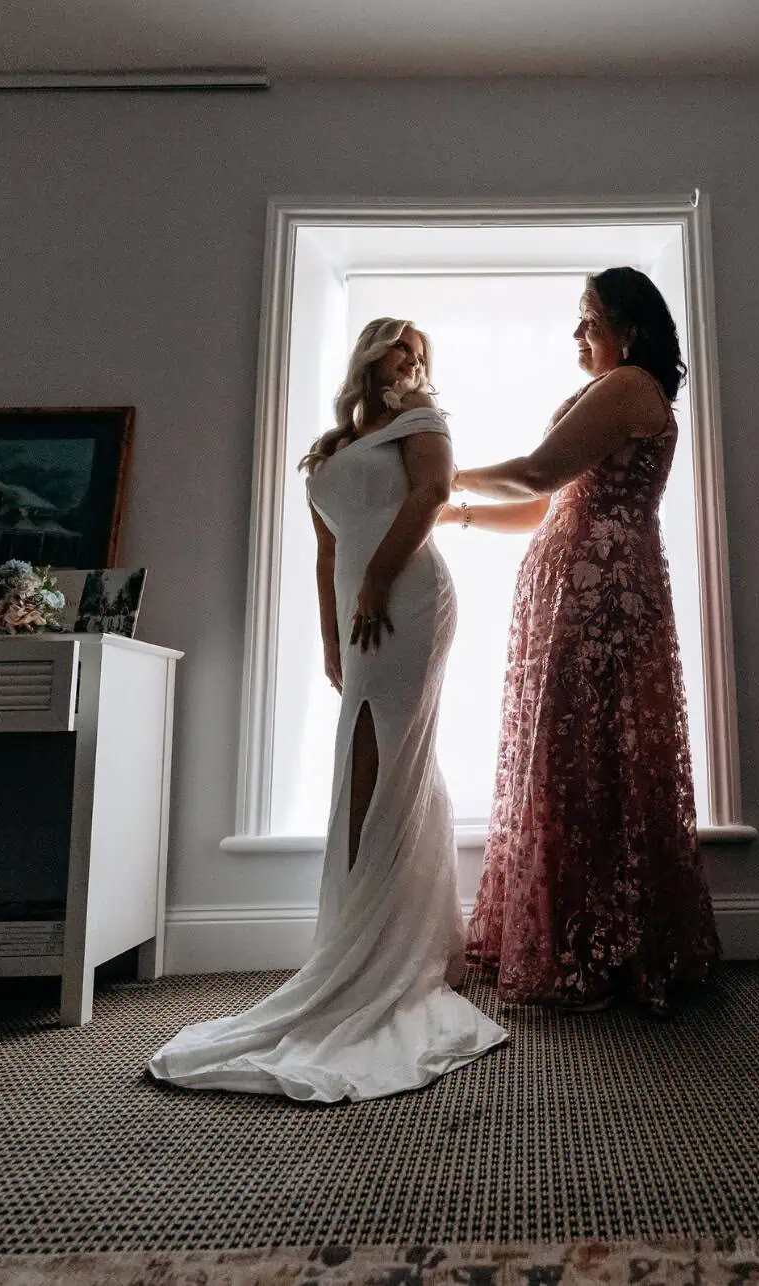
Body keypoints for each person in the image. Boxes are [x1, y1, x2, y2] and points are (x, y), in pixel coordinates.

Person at [149, 318, 507, 1100]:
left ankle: (382, 952)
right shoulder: (329, 448)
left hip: (408, 596)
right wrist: (326, 634)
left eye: (420, 352)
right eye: (396, 345)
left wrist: (378, 580)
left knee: (388, 761)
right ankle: (383, 936)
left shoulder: (424, 423)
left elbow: (434, 493)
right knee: (368, 762)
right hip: (356, 608)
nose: (409, 360)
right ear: (366, 354)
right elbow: (322, 549)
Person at [440, 268, 721, 1012]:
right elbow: (543, 505)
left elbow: (538, 469)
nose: (576, 334)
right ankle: (579, 939)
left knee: (591, 760)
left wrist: (439, 474)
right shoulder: (615, 392)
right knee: (569, 759)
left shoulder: (630, 386)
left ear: (626, 330)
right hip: (574, 591)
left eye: (586, 319)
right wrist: (457, 514)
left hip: (599, 602)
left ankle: (604, 949)